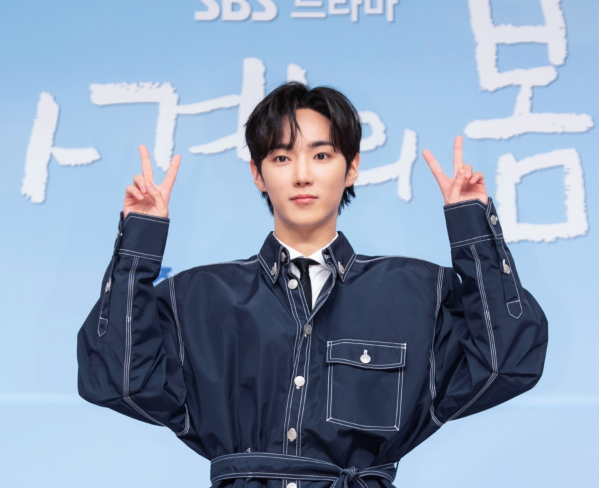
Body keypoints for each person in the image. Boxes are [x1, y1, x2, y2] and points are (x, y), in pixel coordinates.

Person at [77, 82, 548, 488]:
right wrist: (139, 239)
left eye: (321, 155)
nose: (302, 174)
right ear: (258, 174)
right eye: (282, 157)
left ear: (352, 167)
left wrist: (472, 227)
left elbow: (505, 363)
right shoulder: (197, 297)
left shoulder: (418, 294)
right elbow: (119, 381)